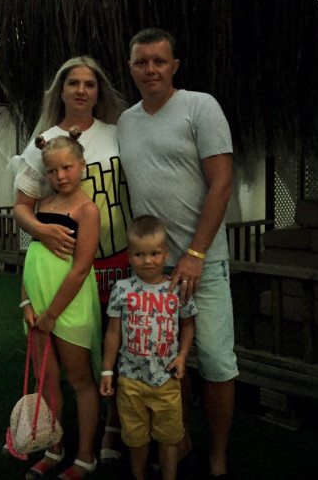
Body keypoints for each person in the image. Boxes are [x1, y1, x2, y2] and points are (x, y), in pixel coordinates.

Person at [117, 28, 238, 478]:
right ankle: (180, 437)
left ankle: (218, 452)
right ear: (131, 68)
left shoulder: (200, 107)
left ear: (174, 66)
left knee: (217, 361)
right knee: (169, 359)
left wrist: (196, 254)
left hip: (203, 262)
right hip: (154, 267)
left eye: (159, 61)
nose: (150, 69)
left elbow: (222, 182)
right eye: (141, 62)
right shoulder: (126, 122)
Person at [10, 56, 132, 465]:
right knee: (64, 363)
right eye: (73, 83)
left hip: (116, 255)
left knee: (114, 348)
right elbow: (23, 204)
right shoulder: (44, 142)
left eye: (90, 84)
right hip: (62, 266)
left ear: (99, 92)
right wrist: (42, 230)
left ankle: (111, 430)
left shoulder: (118, 133)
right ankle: (57, 440)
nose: (81, 90)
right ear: (60, 90)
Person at [20, 129, 100, 480]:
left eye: (67, 167)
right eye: (52, 171)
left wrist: (53, 314)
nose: (60, 176)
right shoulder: (41, 206)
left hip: (68, 307)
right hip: (37, 307)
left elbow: (81, 268)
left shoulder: (87, 210)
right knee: (46, 379)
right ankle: (54, 448)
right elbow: (33, 257)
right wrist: (26, 300)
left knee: (80, 379)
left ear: (82, 165)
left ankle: (85, 456)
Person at [100, 215, 197, 480]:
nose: (147, 260)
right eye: (139, 254)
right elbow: (113, 332)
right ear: (129, 256)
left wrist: (182, 356)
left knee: (169, 438)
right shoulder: (122, 289)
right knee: (136, 438)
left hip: (167, 379)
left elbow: (188, 325)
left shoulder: (176, 289)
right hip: (130, 381)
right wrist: (107, 371)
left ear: (166, 254)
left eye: (154, 253)